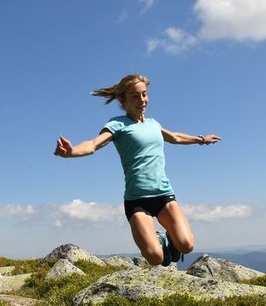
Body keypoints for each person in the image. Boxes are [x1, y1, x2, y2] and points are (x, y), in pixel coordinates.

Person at [54, 74, 221, 267]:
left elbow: (175, 137)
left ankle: (169, 239)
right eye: (135, 96)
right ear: (122, 100)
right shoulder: (117, 125)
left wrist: (201, 139)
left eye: (144, 94)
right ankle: (159, 240)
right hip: (137, 201)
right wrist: (72, 151)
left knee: (187, 245)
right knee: (155, 258)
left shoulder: (153, 124)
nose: (142, 100)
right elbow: (92, 144)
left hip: (164, 194)